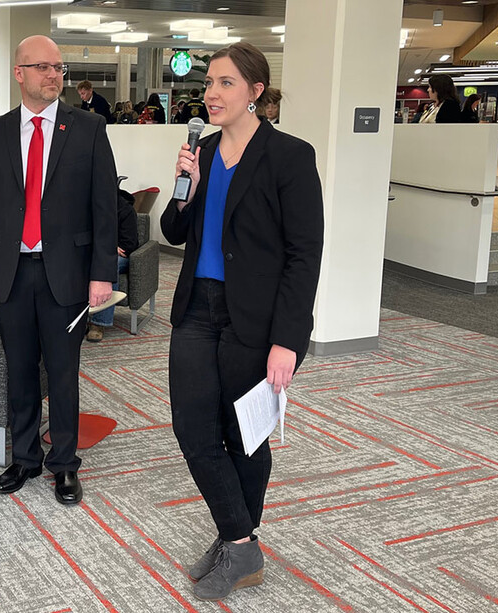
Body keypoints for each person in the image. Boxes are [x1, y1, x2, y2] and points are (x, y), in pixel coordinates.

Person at [161, 42, 323, 601]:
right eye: (209, 82)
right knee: (192, 428)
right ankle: (240, 538)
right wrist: (185, 192)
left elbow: (305, 256)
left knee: (243, 435)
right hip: (197, 309)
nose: (212, 93)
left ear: (256, 93)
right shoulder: (201, 151)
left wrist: (287, 341)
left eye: (226, 83)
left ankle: (237, 540)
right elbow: (175, 232)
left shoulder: (289, 156)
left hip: (254, 318)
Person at [0, 35, 117, 506]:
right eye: (43, 68)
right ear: (20, 74)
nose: (54, 76)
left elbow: (104, 208)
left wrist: (102, 274)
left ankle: (64, 464)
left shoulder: (88, 127)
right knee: (19, 372)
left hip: (66, 273)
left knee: (64, 371)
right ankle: (25, 458)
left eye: (59, 68)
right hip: (10, 272)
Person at [86, 188, 139, 342]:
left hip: (121, 257)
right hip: (96, 253)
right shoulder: (91, 208)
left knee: (109, 265)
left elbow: (129, 244)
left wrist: (107, 247)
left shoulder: (126, 210)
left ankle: (99, 323)